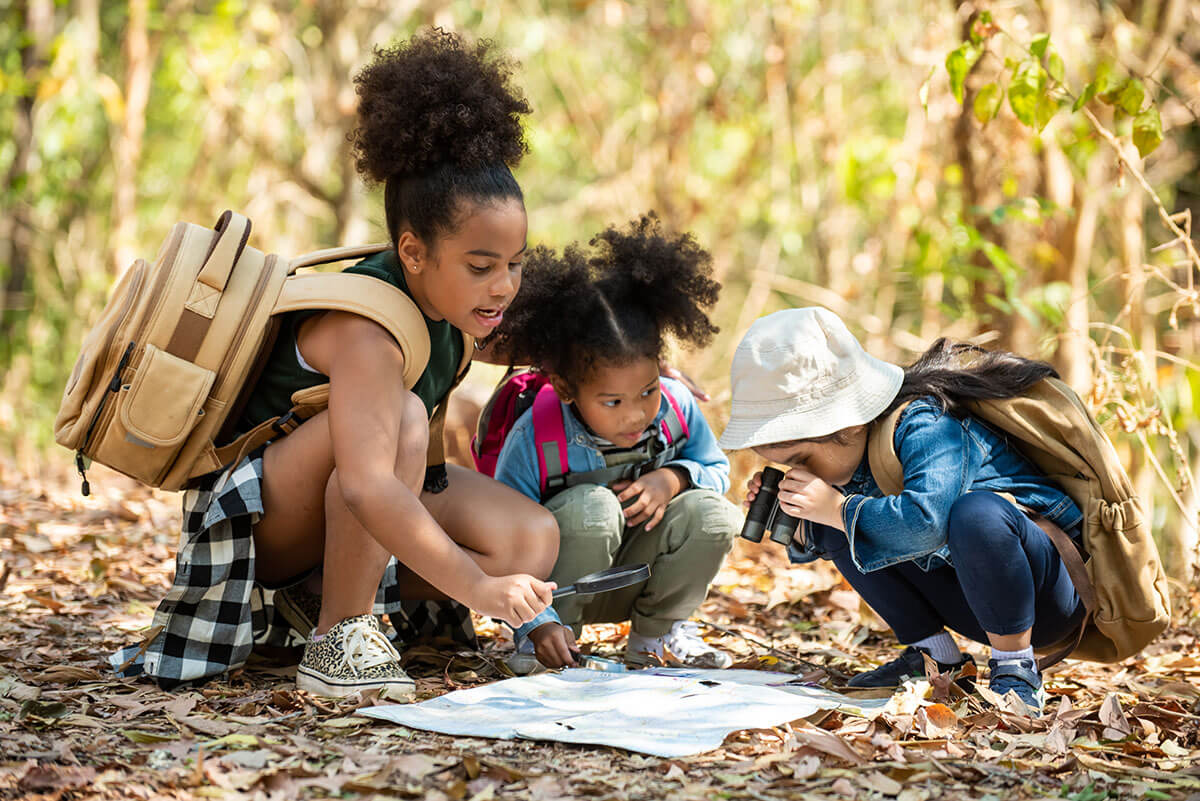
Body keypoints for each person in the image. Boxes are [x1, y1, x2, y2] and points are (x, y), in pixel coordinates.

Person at [111, 30, 559, 697]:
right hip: (257, 519)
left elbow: (555, 344)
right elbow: (368, 486)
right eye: (482, 266)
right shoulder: (366, 329)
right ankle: (337, 635)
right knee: (403, 419)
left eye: (515, 265)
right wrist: (480, 588)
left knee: (530, 536)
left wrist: (654, 373)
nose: (503, 287)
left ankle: (319, 595)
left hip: (345, 493)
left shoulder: (459, 309)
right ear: (412, 252)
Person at [720, 308, 1088, 711]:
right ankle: (934, 657)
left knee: (975, 514)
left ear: (851, 423)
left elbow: (926, 525)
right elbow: (851, 532)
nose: (798, 472)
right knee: (839, 521)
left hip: (1043, 598)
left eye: (801, 459)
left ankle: (1015, 668)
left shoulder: (929, 426)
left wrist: (839, 509)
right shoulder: (848, 459)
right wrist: (802, 518)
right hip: (971, 600)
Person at [491, 215, 742, 672]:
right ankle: (550, 642)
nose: (635, 413)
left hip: (639, 577)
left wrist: (675, 477)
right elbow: (505, 536)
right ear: (567, 390)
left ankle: (657, 636)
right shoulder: (536, 435)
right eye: (612, 401)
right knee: (593, 507)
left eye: (648, 390)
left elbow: (718, 470)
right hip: (558, 594)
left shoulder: (676, 406)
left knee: (715, 513)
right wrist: (536, 621)